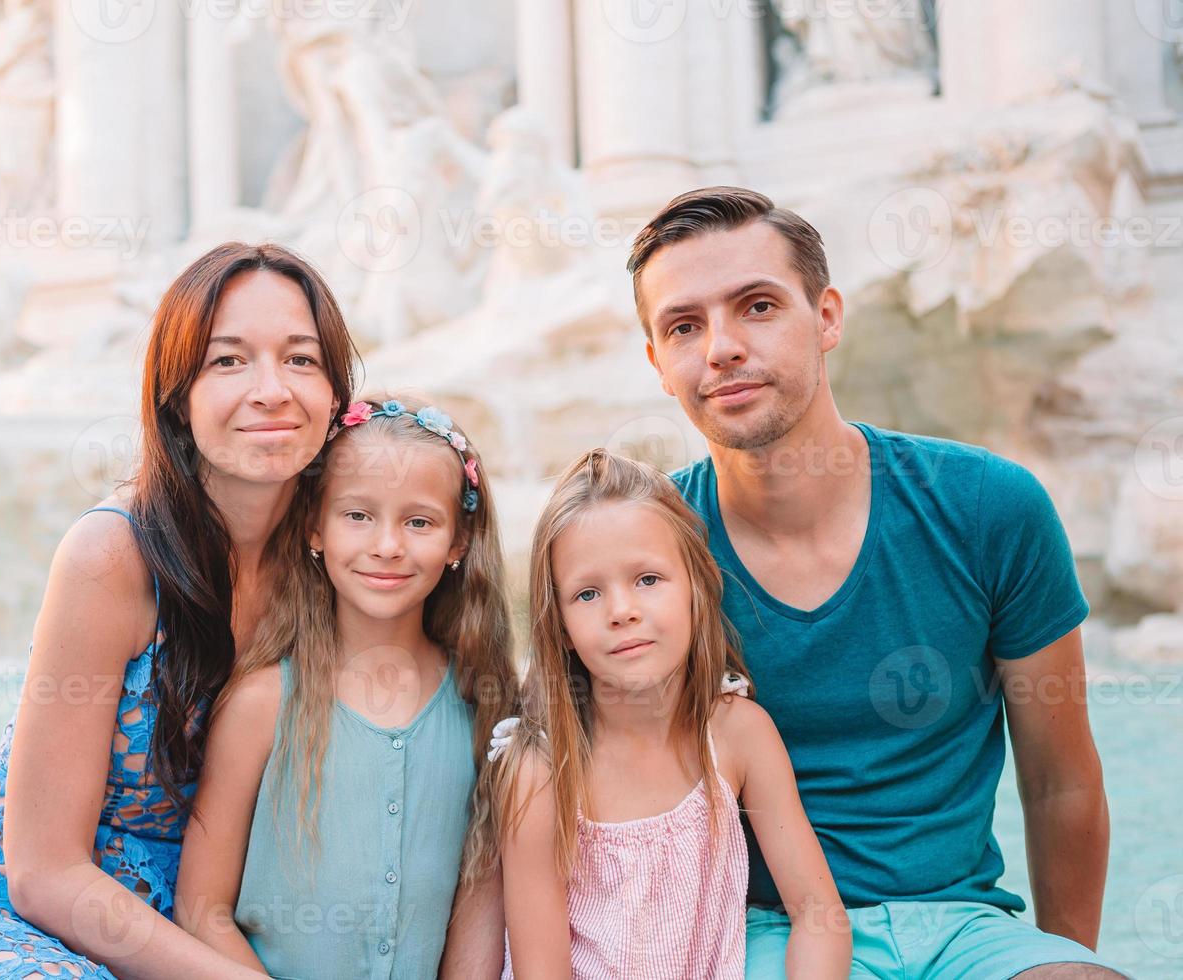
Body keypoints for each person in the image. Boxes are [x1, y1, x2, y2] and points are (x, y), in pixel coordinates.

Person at [625, 186, 1118, 977]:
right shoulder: (647, 546)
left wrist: (1057, 957)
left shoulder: (988, 507)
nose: (720, 347)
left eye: (757, 306)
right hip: (755, 939)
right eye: (684, 327)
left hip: (964, 930)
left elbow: (1060, 781)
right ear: (658, 362)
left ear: (826, 318)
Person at [0, 242, 359, 978]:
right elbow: (43, 872)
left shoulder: (345, 554)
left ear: (337, 393)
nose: (272, 389)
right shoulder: (113, 557)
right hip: (8, 913)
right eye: (228, 361)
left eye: (301, 360)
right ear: (176, 395)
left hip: (194, 917)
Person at [176, 395, 516, 978]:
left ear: (459, 542)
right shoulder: (263, 702)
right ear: (315, 526)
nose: (387, 546)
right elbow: (201, 910)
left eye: (419, 522)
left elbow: (479, 906)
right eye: (358, 515)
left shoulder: (482, 701)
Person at [493, 449, 850, 979]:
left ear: (696, 590)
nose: (622, 611)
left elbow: (818, 917)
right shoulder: (540, 772)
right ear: (561, 625)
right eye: (587, 593)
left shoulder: (737, 735)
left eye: (647, 579)